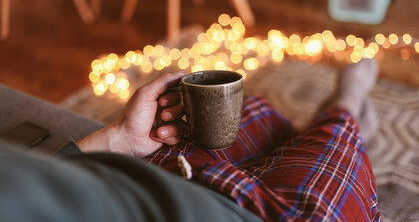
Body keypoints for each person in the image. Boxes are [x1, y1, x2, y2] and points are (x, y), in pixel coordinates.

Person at [0, 59, 381, 221]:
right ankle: (344, 108)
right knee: (331, 144)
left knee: (251, 113)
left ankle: (342, 124)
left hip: (168, 176)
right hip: (254, 214)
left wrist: (118, 140)